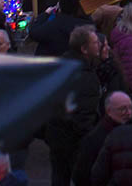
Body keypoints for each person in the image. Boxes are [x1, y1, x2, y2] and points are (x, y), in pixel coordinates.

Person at [45, 24, 102, 186]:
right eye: (95, 42)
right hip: (76, 142)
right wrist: (90, 141)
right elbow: (85, 114)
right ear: (84, 49)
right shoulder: (85, 76)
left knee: (59, 177)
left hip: (56, 137)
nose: (99, 45)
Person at [74, 92, 132, 186]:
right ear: (109, 111)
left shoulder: (131, 132)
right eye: (123, 109)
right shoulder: (94, 139)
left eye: (130, 108)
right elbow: (81, 176)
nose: (129, 113)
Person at [29, 0, 93, 57]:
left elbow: (34, 32)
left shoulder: (56, 24)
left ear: (60, 8)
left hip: (52, 63)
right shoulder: (88, 25)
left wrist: (45, 14)